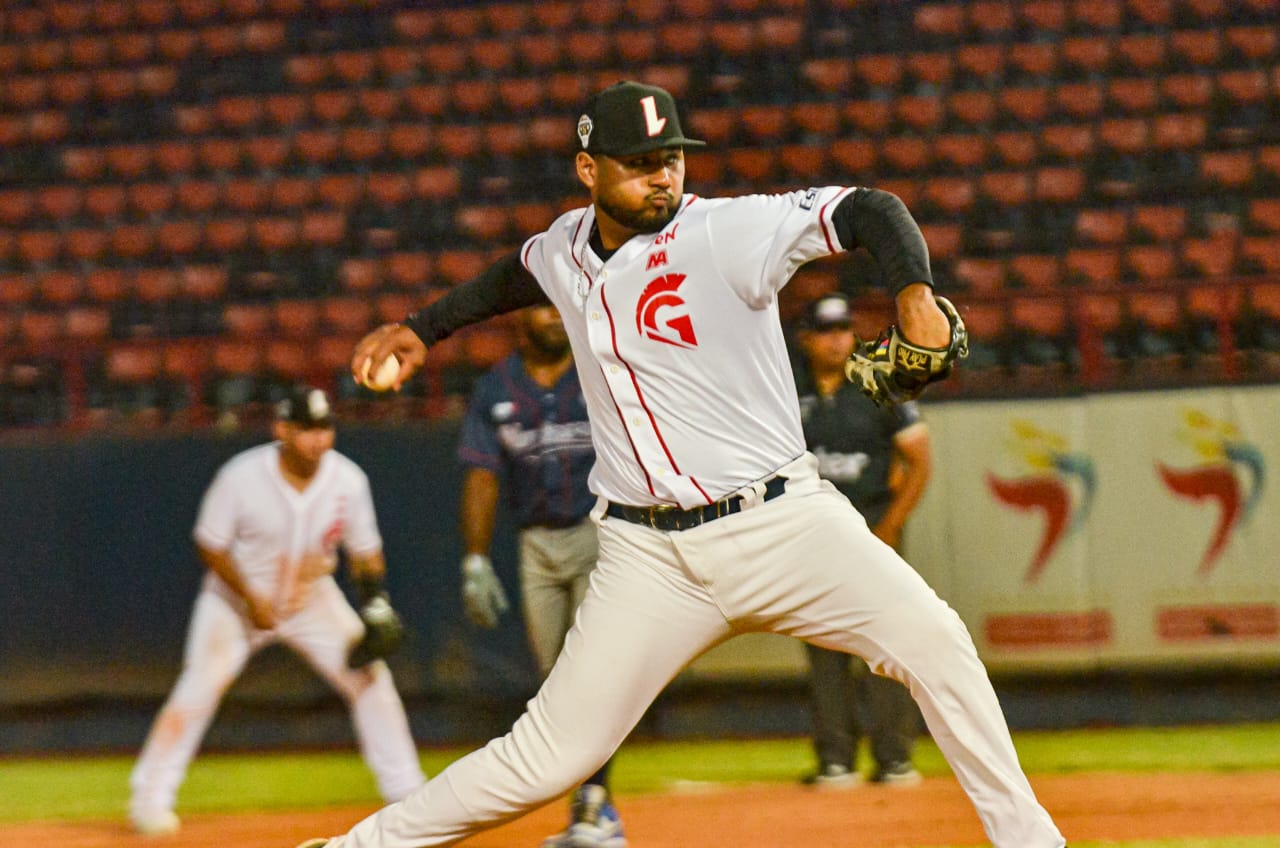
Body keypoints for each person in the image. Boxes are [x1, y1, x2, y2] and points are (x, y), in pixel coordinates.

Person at [297, 80, 1066, 848]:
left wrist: (915, 296)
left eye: (671, 157)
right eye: (639, 162)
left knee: (934, 641)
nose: (664, 175)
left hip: (783, 523)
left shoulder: (728, 232)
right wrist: (421, 329)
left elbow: (871, 208)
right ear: (589, 171)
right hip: (647, 557)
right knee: (548, 756)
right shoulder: (566, 248)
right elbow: (518, 275)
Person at [129, 385, 424, 835]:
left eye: (325, 428)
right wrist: (249, 597)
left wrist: (375, 603)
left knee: (371, 680)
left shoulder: (348, 480)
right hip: (236, 601)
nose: (318, 439)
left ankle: (407, 793)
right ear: (282, 429)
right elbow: (210, 544)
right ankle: (150, 797)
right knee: (198, 689)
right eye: (307, 428)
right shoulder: (242, 475)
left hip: (312, 598)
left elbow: (365, 551)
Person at [456, 303, 626, 848]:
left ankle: (596, 807)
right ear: (519, 321)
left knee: (591, 674)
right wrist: (475, 557)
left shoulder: (595, 367)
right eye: (541, 308)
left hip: (598, 531)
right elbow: (481, 475)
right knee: (555, 683)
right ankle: (590, 808)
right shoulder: (496, 387)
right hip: (537, 544)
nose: (555, 317)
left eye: (560, 308)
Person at [792, 292, 932, 789]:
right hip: (813, 535)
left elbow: (920, 461)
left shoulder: (878, 382)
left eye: (844, 328)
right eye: (826, 330)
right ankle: (836, 759)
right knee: (823, 647)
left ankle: (895, 758)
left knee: (886, 645)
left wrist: (891, 526)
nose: (838, 338)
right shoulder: (786, 389)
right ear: (805, 338)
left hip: (872, 525)